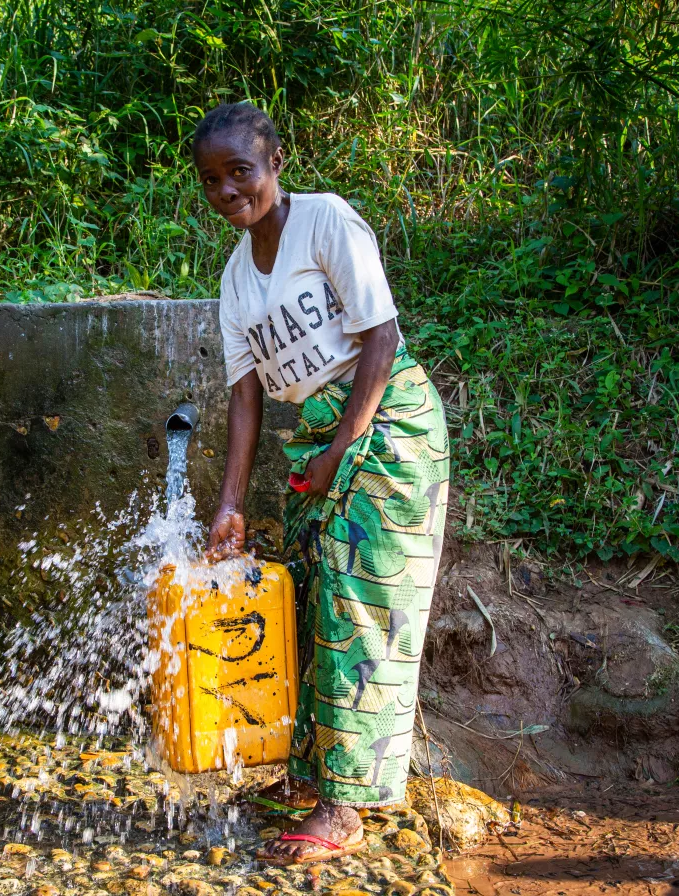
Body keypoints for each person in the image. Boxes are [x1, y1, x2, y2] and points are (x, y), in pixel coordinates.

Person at [194, 102, 450, 866]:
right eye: (211, 180)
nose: (228, 190)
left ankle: (347, 807)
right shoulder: (236, 279)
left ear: (275, 162)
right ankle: (314, 778)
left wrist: (344, 446)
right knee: (312, 596)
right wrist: (231, 502)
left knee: (359, 602)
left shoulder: (326, 222)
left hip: (387, 424)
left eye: (241, 170)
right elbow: (245, 398)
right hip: (317, 439)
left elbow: (382, 336)